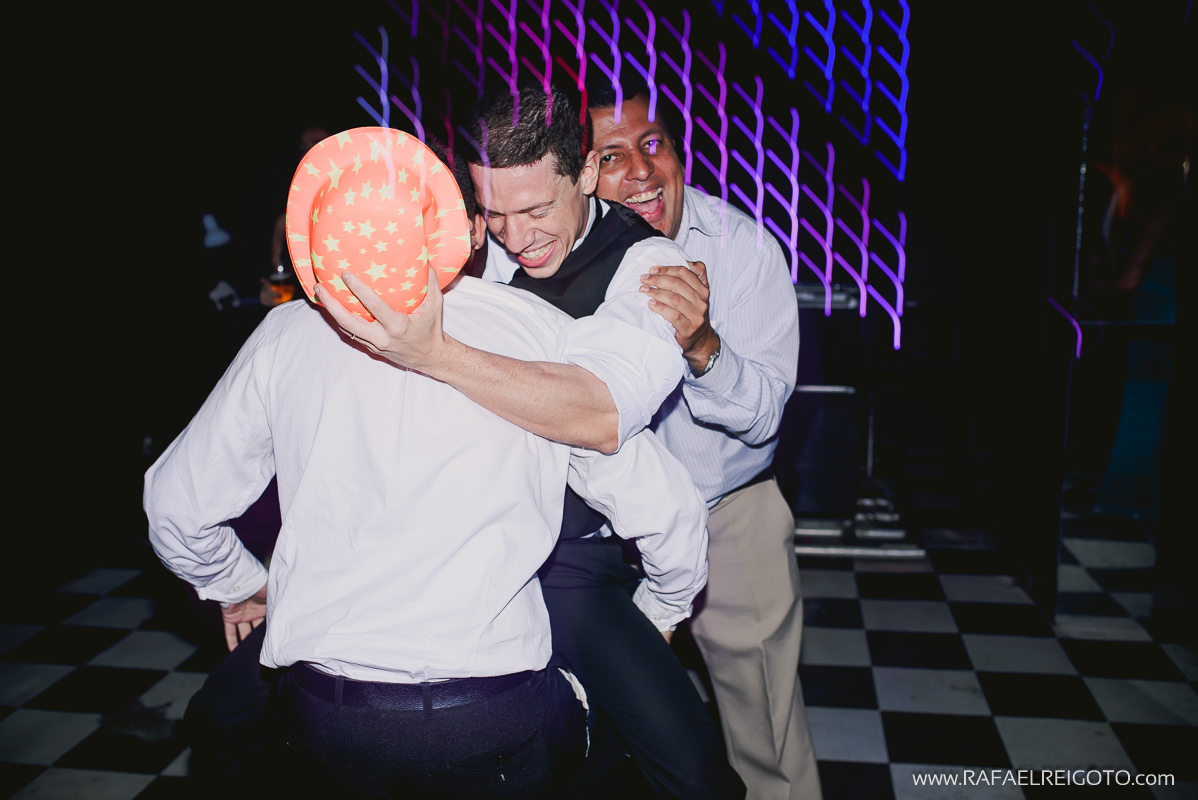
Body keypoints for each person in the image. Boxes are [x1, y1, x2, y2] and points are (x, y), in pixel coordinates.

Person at [146, 127, 711, 798]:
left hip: (330, 720)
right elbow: (668, 511)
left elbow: (174, 507)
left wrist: (243, 584)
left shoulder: (285, 334)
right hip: (500, 723)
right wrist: (664, 605)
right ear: (468, 233)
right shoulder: (538, 332)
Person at [326, 84, 745, 799]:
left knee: (695, 775)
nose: (515, 238)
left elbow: (602, 417)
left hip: (568, 563)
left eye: (536, 209)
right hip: (448, 536)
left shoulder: (649, 272)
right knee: (248, 709)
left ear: (584, 174)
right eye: (494, 212)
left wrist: (434, 353)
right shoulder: (467, 241)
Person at [588, 80, 818, 800]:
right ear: (583, 173)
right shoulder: (564, 253)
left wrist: (704, 345)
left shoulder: (744, 251)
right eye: (611, 155)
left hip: (726, 512)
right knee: (591, 724)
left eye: (652, 144)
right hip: (600, 526)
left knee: (766, 732)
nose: (641, 171)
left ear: (679, 150)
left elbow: (764, 416)